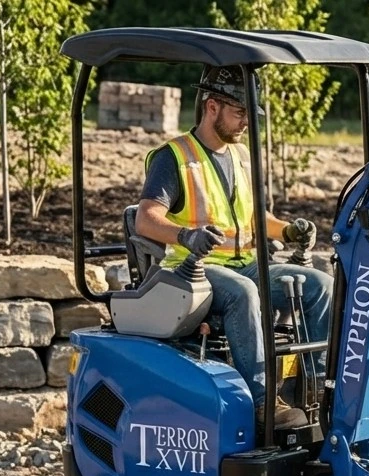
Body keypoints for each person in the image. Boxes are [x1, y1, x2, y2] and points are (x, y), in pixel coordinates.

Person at [135, 64, 332, 430]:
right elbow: (146, 219)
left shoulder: (240, 156)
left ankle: (317, 392)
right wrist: (185, 236)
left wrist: (287, 231)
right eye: (240, 113)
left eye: (249, 115)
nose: (246, 123)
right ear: (212, 107)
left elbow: (258, 217)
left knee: (320, 285)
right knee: (243, 293)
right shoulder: (173, 157)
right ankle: (263, 405)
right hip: (193, 270)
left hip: (245, 263)